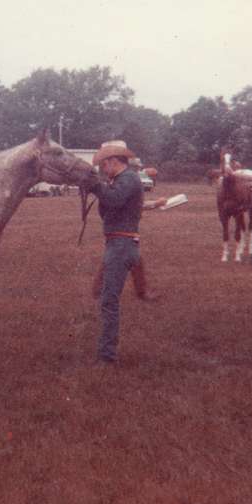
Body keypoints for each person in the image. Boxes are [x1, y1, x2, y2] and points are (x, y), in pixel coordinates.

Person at [86, 141, 167, 364]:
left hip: (121, 246)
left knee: (109, 302)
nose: (102, 168)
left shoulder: (128, 178)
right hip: (120, 245)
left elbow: (113, 199)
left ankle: (106, 356)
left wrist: (94, 185)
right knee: (101, 293)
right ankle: (143, 292)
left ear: (114, 161)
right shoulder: (120, 181)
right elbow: (111, 205)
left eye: (104, 164)